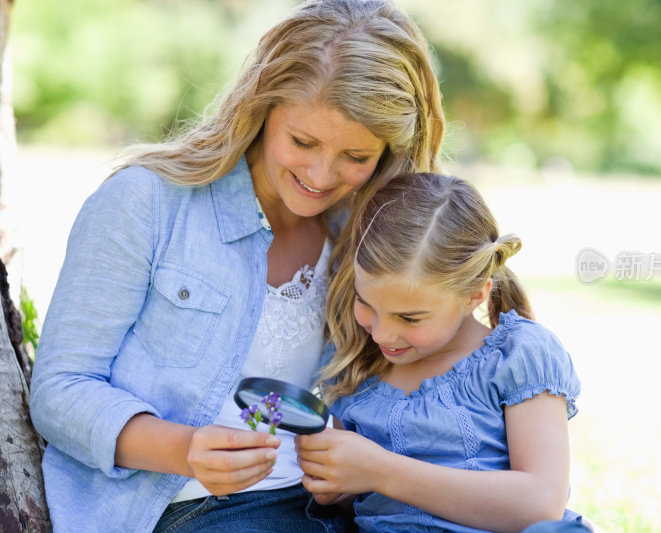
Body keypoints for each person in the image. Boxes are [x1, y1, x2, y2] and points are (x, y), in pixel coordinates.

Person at [29, 0, 444, 531]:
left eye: (355, 158)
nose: (321, 175)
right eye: (303, 141)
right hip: (180, 505)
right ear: (262, 106)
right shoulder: (147, 203)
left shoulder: (361, 240)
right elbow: (61, 389)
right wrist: (185, 450)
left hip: (316, 505)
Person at [295, 172, 589, 533]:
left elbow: (541, 504)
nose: (382, 332)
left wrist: (381, 471)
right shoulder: (355, 365)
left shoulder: (516, 356)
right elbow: (356, 498)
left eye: (410, 317)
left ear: (475, 295)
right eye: (365, 302)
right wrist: (334, 481)